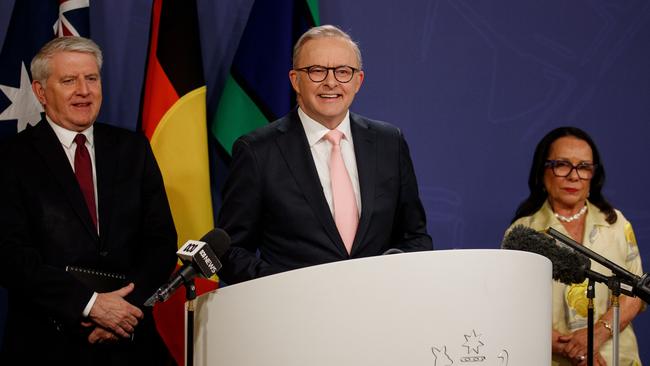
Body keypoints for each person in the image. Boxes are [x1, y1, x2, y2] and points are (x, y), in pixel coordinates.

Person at [0, 37, 177, 365]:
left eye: (91, 78)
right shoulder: (10, 159)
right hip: (46, 344)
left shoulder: (133, 149)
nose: (84, 90)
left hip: (131, 340)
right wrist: (90, 304)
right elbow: (9, 255)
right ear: (40, 92)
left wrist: (124, 311)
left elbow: (161, 241)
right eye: (69, 80)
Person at [216, 25, 432, 284]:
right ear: (295, 80)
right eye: (317, 71)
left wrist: (390, 271)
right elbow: (231, 251)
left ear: (358, 81)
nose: (331, 82)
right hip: (295, 313)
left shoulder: (389, 142)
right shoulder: (258, 151)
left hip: (378, 309)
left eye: (343, 72)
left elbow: (415, 237)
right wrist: (286, 285)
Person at [507, 127, 644, 366]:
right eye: (562, 165)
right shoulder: (523, 232)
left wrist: (597, 335)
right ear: (542, 171)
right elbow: (508, 305)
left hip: (613, 356)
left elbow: (636, 295)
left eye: (583, 167)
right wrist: (569, 347)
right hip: (550, 356)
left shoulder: (616, 224)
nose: (573, 176)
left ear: (593, 175)